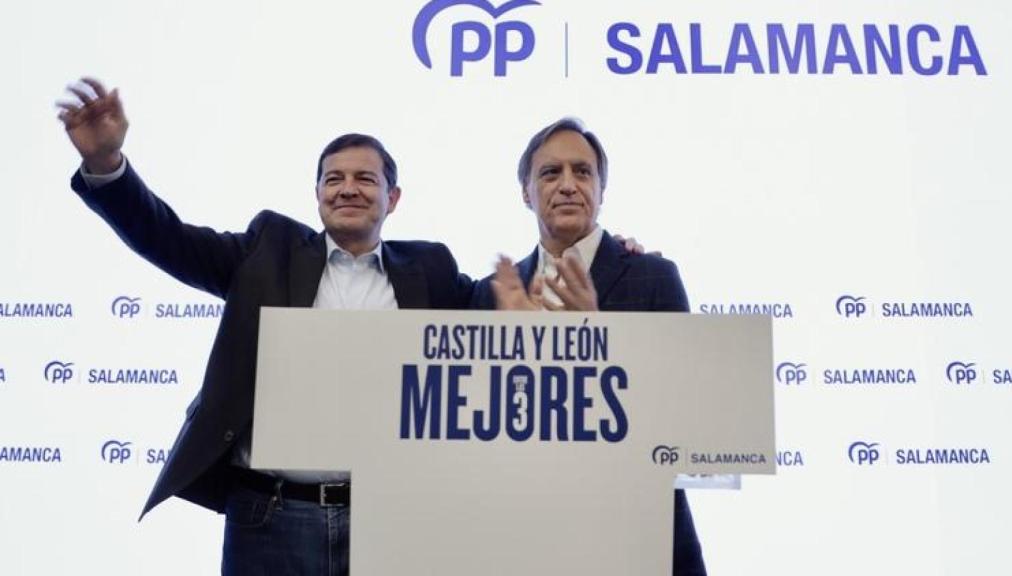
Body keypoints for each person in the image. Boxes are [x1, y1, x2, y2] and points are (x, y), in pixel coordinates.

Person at [58, 78, 473, 575]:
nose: (347, 189)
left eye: (365, 179)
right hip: (271, 517)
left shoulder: (431, 269)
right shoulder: (268, 248)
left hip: (391, 520)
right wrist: (107, 165)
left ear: (393, 197)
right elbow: (166, 238)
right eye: (333, 178)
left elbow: (496, 318)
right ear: (317, 193)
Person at [472, 117, 707, 575]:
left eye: (582, 172)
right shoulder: (491, 294)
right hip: (527, 534)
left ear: (601, 189)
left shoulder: (653, 276)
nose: (567, 185)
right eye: (549, 173)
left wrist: (597, 340)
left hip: (636, 532)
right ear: (526, 192)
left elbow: (685, 414)